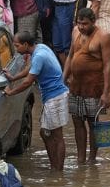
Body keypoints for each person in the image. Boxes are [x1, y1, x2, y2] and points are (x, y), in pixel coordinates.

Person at [6, 31, 69, 172]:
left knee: (57, 136)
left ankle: (58, 171)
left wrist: (11, 92)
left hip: (55, 97)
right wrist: (13, 77)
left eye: (17, 46)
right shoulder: (40, 48)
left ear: (26, 44)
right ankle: (55, 167)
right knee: (45, 133)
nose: (16, 49)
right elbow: (30, 69)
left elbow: (28, 81)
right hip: (52, 97)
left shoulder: (39, 55)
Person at [64, 8, 110, 165]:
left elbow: (108, 66)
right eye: (79, 23)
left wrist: (107, 93)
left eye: (85, 24)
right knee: (77, 122)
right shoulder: (75, 32)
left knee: (95, 124)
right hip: (75, 87)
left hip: (94, 88)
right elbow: (70, 56)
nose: (81, 27)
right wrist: (63, 79)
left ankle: (92, 159)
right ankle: (81, 159)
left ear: (93, 22)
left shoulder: (103, 36)